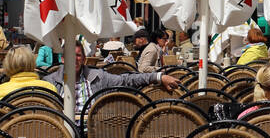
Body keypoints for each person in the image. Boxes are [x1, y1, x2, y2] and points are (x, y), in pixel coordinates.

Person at [44, 43, 180, 115]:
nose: (74, 59)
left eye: (78, 55)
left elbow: (126, 80)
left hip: (92, 134)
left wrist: (158, 77)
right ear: (62, 58)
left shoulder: (97, 77)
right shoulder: (50, 81)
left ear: (84, 59)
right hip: (62, 135)